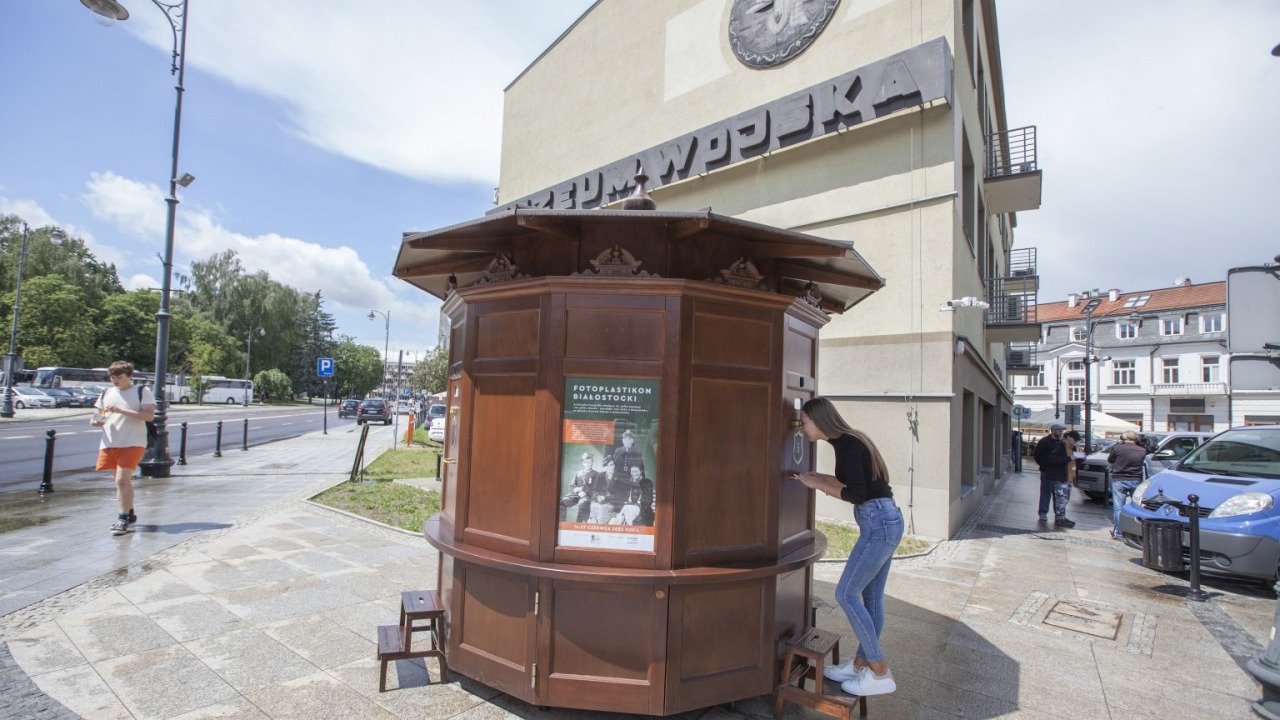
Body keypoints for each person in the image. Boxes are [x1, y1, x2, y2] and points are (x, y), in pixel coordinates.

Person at [793, 397, 902, 698]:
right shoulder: (849, 440)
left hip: (879, 524)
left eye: (804, 421)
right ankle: (859, 665)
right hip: (884, 520)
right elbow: (852, 481)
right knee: (872, 597)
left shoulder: (848, 445)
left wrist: (819, 486)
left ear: (819, 420)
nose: (802, 427)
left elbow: (856, 492)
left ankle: (879, 672)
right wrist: (815, 477)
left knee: (846, 593)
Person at [90, 361, 156, 536]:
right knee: (121, 482)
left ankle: (122, 518)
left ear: (129, 376)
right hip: (110, 442)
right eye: (112, 377)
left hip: (133, 442)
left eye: (119, 377)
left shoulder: (142, 391)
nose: (115, 381)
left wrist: (120, 410)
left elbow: (148, 416)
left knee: (121, 480)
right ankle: (130, 512)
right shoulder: (106, 393)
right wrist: (96, 421)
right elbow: (99, 415)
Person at [1107, 430, 1149, 539]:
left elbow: (1110, 460)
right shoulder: (1142, 450)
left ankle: (1119, 533)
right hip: (1135, 479)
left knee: (1118, 508)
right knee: (1136, 507)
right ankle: (1135, 532)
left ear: (1124, 438)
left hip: (1119, 479)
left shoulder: (1117, 448)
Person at [1033, 423, 1075, 528]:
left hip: (1058, 473)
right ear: (1053, 431)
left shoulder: (1061, 443)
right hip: (1046, 472)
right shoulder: (1044, 442)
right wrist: (1043, 465)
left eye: (1062, 431)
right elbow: (1036, 455)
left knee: (1058, 496)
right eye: (1059, 431)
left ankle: (1059, 516)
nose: (1061, 433)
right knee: (1046, 493)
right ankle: (1043, 513)